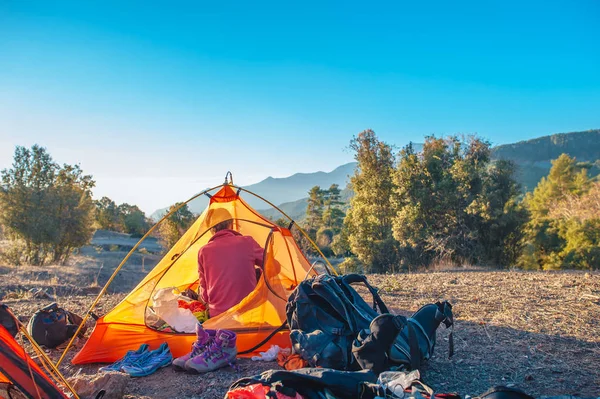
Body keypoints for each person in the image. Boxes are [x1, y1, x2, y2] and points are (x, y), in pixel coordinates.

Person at [197, 208, 264, 318]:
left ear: (211, 230)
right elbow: (273, 266)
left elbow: (204, 296)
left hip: (218, 318)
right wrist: (259, 276)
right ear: (231, 224)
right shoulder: (248, 242)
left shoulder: (203, 252)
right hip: (249, 313)